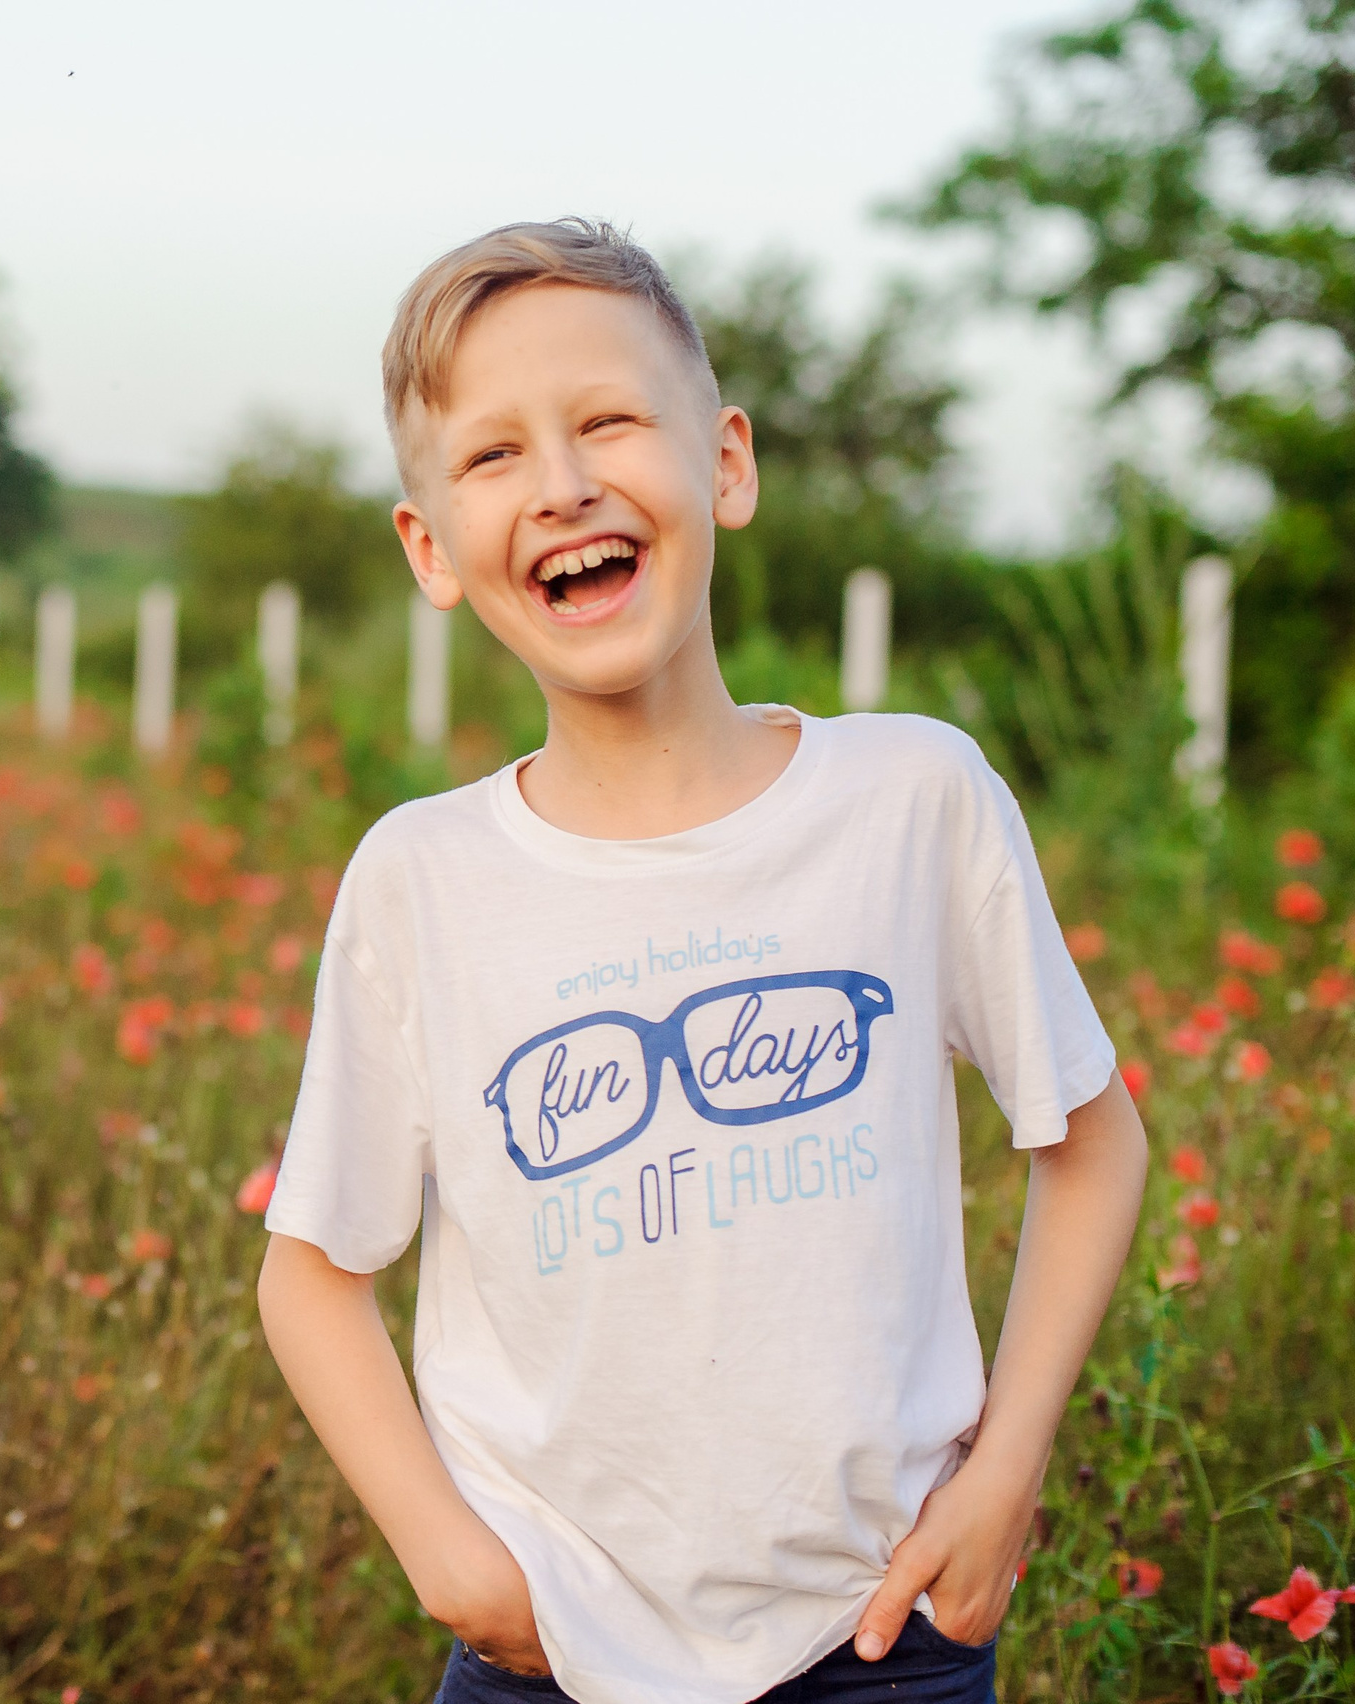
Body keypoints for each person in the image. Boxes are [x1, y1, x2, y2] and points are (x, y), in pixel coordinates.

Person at [253, 218, 1148, 1704]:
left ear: (725, 463)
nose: (562, 485)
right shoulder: (422, 880)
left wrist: (1007, 1468)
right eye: (490, 457)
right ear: (428, 547)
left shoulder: (911, 801)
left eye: (608, 420)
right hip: (548, 1651)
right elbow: (311, 1272)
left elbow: (1093, 1138)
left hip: (880, 1636)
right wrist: (450, 1561)